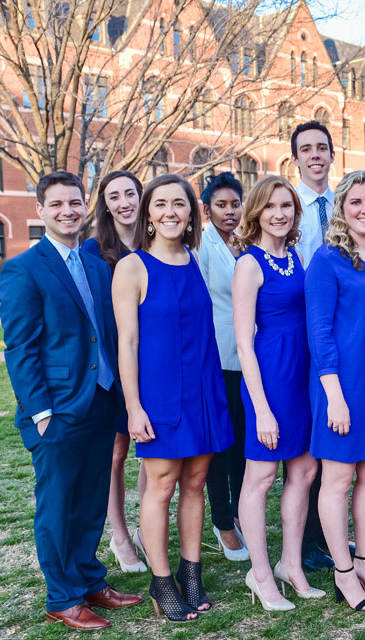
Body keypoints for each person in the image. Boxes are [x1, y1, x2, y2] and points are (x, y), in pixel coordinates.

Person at [0, 171, 142, 630]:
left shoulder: (98, 264)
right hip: (56, 410)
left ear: (85, 207)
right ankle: (61, 597)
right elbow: (20, 347)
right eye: (57, 204)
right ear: (41, 210)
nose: (68, 211)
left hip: (100, 403)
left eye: (75, 203)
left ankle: (88, 579)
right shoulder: (24, 267)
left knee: (90, 501)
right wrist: (40, 412)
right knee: (59, 505)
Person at [112, 174, 234, 622]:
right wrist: (133, 407)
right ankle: (161, 582)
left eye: (178, 204)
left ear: (190, 213)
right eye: (160, 204)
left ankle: (191, 572)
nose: (170, 212)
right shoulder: (133, 267)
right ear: (148, 213)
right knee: (161, 485)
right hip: (159, 395)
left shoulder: (196, 259)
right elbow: (126, 343)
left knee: (197, 483)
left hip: (203, 388)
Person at [305, 171, 365, 612]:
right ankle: (343, 571)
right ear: (341, 207)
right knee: (338, 479)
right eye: (356, 202)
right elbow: (319, 331)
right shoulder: (327, 259)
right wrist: (334, 394)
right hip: (339, 384)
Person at [233, 175, 323, 610]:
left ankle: (292, 563)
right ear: (256, 212)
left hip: (302, 375)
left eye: (286, 205)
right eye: (270, 206)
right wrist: (262, 410)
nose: (280, 213)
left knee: (303, 472)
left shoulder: (295, 257)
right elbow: (244, 344)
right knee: (262, 476)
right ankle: (261, 574)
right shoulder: (249, 264)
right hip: (269, 376)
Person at [81, 170, 147, 574]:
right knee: (117, 452)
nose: (124, 202)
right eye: (114, 196)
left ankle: (144, 527)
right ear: (105, 204)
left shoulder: (155, 244)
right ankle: (119, 533)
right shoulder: (93, 252)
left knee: (152, 452)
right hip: (113, 359)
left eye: (130, 194)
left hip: (152, 362)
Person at [290, 119, 336, 571]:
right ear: (297, 158)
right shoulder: (288, 208)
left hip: (338, 332)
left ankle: (325, 533)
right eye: (307, 149)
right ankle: (303, 539)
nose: (315, 155)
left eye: (322, 147)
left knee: (330, 437)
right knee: (305, 441)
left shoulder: (346, 205)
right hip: (296, 332)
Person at [198, 172, 249, 563]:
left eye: (235, 204)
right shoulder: (200, 245)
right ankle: (223, 520)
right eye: (221, 205)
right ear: (208, 208)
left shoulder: (247, 241)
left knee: (246, 444)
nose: (229, 211)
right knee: (222, 443)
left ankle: (242, 512)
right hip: (216, 357)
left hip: (251, 357)